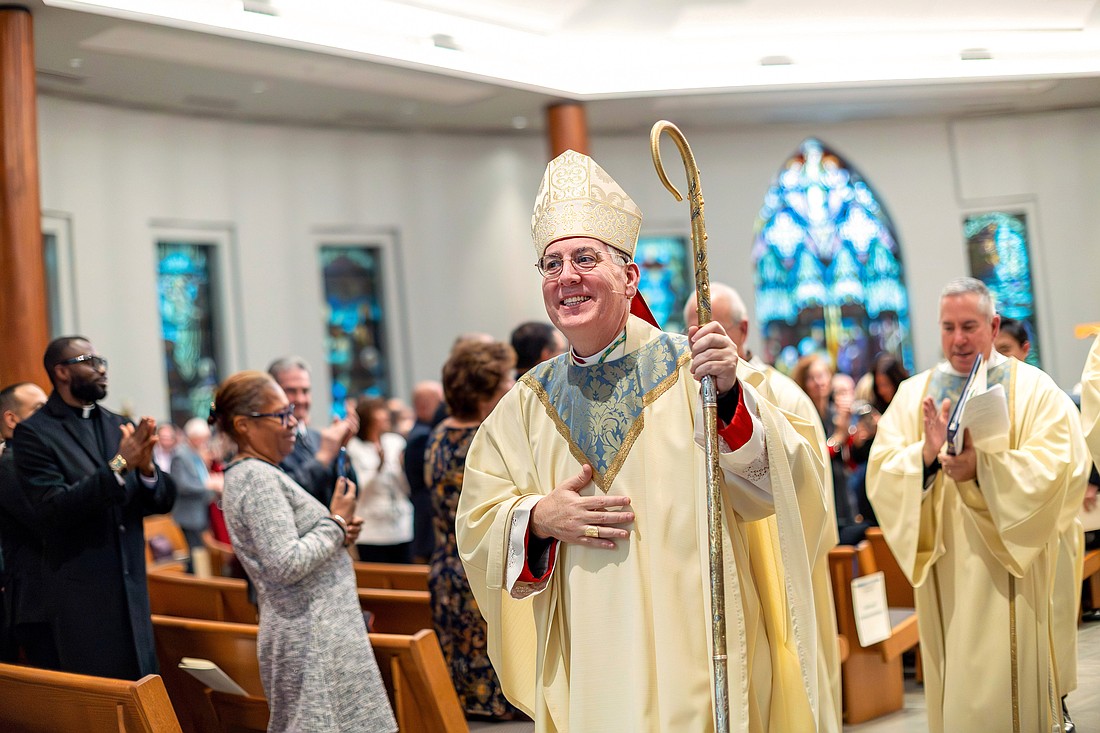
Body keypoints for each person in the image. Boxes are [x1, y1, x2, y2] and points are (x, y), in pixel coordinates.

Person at [456, 150, 829, 731]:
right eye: (551, 265)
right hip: (588, 660)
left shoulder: (700, 370)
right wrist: (536, 517)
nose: (567, 278)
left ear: (630, 276)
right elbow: (477, 521)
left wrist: (730, 399)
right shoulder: (525, 404)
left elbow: (784, 489)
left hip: (696, 650)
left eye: (585, 258)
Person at [867, 278, 1088, 733]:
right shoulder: (915, 394)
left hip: (1010, 569)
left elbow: (1055, 469)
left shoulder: (1036, 391)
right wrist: (925, 459)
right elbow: (882, 471)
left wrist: (982, 472)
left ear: (994, 324)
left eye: (969, 326)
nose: (958, 338)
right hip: (944, 572)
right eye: (948, 327)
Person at [684, 282, 841, 733]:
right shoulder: (684, 393)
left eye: (714, 328)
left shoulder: (784, 395)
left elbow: (812, 493)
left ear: (743, 329)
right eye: (691, 330)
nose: (699, 340)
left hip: (783, 566)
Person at [211, 371, 396, 733]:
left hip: (320, 630)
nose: (293, 421)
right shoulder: (257, 478)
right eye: (281, 414)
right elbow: (285, 562)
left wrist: (334, 530)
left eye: (291, 410)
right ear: (244, 425)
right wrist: (336, 524)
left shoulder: (260, 472)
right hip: (311, 637)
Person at [12, 336, 176, 679]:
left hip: (132, 592)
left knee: (143, 695)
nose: (101, 370)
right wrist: (119, 466)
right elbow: (52, 510)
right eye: (89, 361)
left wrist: (146, 470)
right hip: (83, 598)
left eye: (102, 362)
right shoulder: (36, 433)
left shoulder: (117, 424)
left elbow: (160, 500)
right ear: (62, 372)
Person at [427, 341, 521, 721]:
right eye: (507, 379)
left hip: (447, 570)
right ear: (486, 392)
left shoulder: (438, 435)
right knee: (496, 702)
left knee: (466, 702)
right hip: (479, 572)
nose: (513, 386)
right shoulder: (484, 442)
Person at [0, 382, 54, 666]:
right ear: (12, 419)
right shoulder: (10, 464)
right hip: (36, 602)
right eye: (38, 409)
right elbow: (46, 523)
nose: (49, 416)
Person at [267, 356, 357, 506]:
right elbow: (284, 497)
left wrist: (341, 451)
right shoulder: (267, 442)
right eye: (291, 391)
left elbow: (350, 492)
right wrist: (323, 457)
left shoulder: (318, 437)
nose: (301, 399)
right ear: (272, 392)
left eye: (305, 391)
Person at [348, 397, 414, 563]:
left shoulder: (395, 442)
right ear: (367, 418)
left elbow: (406, 488)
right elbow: (357, 488)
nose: (385, 416)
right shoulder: (355, 447)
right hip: (371, 529)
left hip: (401, 524)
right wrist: (378, 467)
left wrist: (403, 468)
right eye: (379, 411)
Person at [403, 381, 444, 563]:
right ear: (425, 405)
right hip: (428, 520)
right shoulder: (422, 437)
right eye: (440, 401)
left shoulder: (424, 433)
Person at [170, 417, 222, 560]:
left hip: (200, 512)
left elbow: (199, 477)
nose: (205, 442)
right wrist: (207, 485)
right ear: (194, 437)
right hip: (188, 515)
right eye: (203, 438)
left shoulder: (195, 453)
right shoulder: (181, 455)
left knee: (201, 554)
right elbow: (182, 485)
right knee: (195, 556)